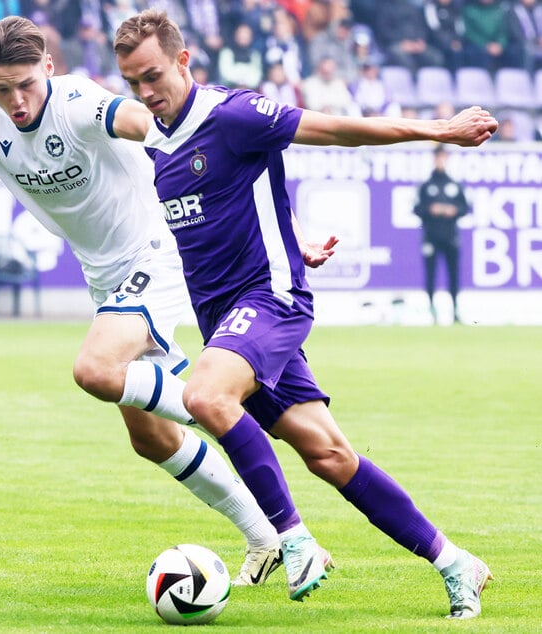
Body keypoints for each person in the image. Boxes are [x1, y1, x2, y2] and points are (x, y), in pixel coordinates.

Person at [0, 15, 337, 590]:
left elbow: (164, 126)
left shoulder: (81, 102)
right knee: (151, 438)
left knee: (96, 368)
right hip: (106, 278)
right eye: (0, 89)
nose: (16, 101)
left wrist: (289, 225)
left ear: (48, 66)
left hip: (158, 252)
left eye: (25, 84)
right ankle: (263, 536)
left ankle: (225, 408)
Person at [112, 8, 495, 618]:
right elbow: (239, 199)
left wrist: (438, 131)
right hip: (225, 318)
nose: (146, 92)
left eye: (154, 75)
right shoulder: (155, 139)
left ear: (183, 60)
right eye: (133, 83)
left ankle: (293, 540)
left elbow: (339, 128)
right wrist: (296, 237)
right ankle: (456, 563)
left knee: (206, 398)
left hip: (268, 299)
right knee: (328, 454)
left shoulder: (235, 114)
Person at [414, 145, 470, 323]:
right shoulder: (426, 185)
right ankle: (432, 312)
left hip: (450, 236)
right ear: (434, 159)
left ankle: (455, 311)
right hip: (431, 236)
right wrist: (431, 209)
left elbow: (465, 208)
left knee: (453, 274)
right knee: (431, 275)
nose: (441, 161)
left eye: (443, 157)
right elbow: (417, 208)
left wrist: (454, 210)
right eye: (438, 157)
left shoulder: (454, 184)